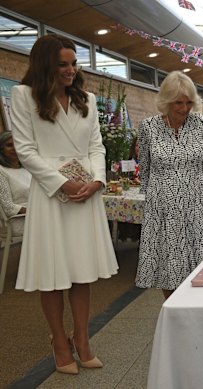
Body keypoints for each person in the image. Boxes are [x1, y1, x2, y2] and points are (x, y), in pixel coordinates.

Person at [10, 34, 118, 374]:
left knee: (82, 272)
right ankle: (59, 342)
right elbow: (25, 150)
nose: (71, 70)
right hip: (51, 193)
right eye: (62, 64)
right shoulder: (23, 96)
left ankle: (82, 339)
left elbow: (96, 147)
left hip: (85, 192)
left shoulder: (86, 98)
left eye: (74, 63)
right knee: (54, 273)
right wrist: (62, 182)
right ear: (46, 65)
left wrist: (97, 181)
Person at [136, 70, 203, 300]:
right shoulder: (148, 127)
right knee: (167, 263)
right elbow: (146, 169)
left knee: (198, 261)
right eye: (177, 103)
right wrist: (154, 198)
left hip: (195, 203)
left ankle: (198, 310)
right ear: (166, 101)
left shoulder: (201, 124)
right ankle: (173, 309)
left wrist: (202, 195)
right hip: (162, 205)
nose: (183, 108)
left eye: (188, 102)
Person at [0, 131, 31, 235]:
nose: (15, 148)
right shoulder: (1, 171)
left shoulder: (27, 168)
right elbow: (8, 207)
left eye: (17, 144)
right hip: (19, 219)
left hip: (36, 213)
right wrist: (34, 211)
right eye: (9, 145)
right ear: (1, 149)